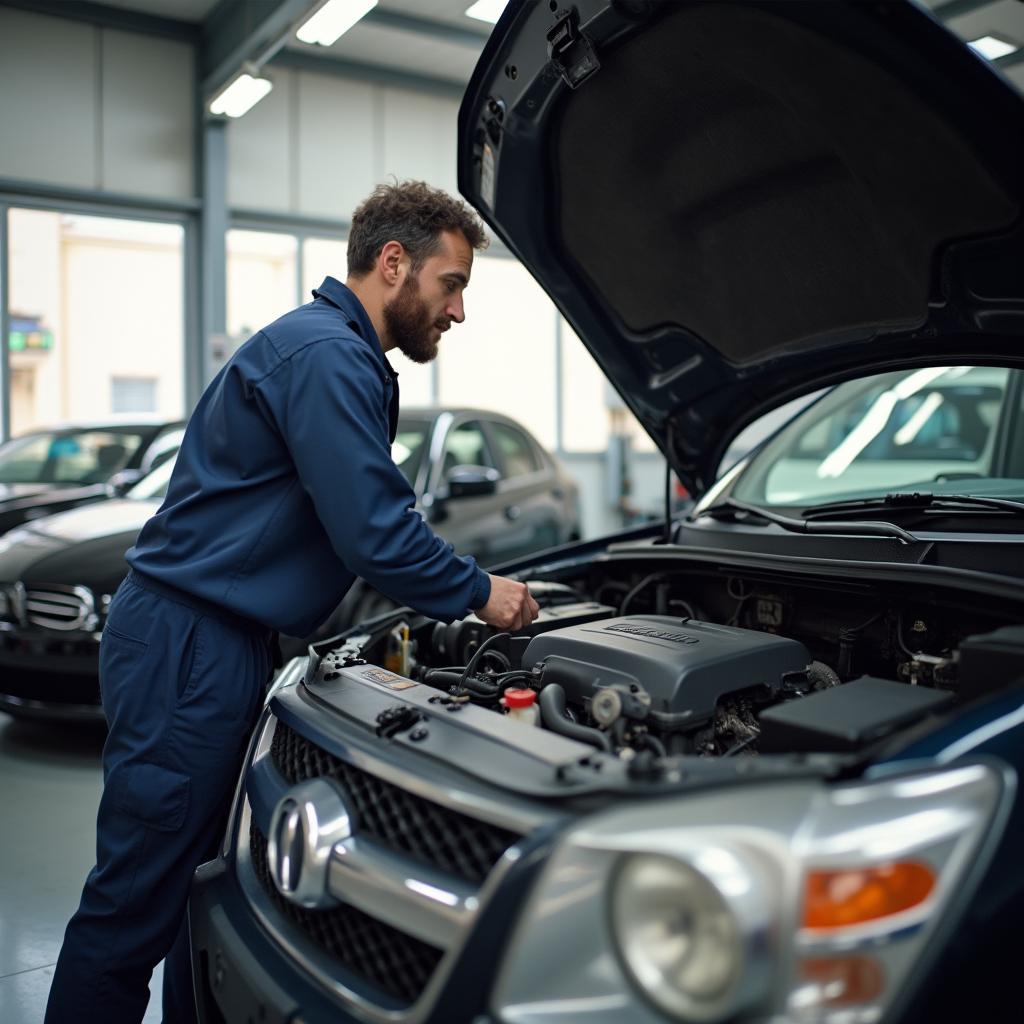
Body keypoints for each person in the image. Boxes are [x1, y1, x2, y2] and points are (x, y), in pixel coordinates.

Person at [45, 180, 540, 1024]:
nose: (458, 311)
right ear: (394, 264)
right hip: (190, 648)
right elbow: (376, 534)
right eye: (452, 283)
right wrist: (483, 594)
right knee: (131, 909)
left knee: (195, 892)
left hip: (213, 642)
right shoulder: (327, 357)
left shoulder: (326, 348)